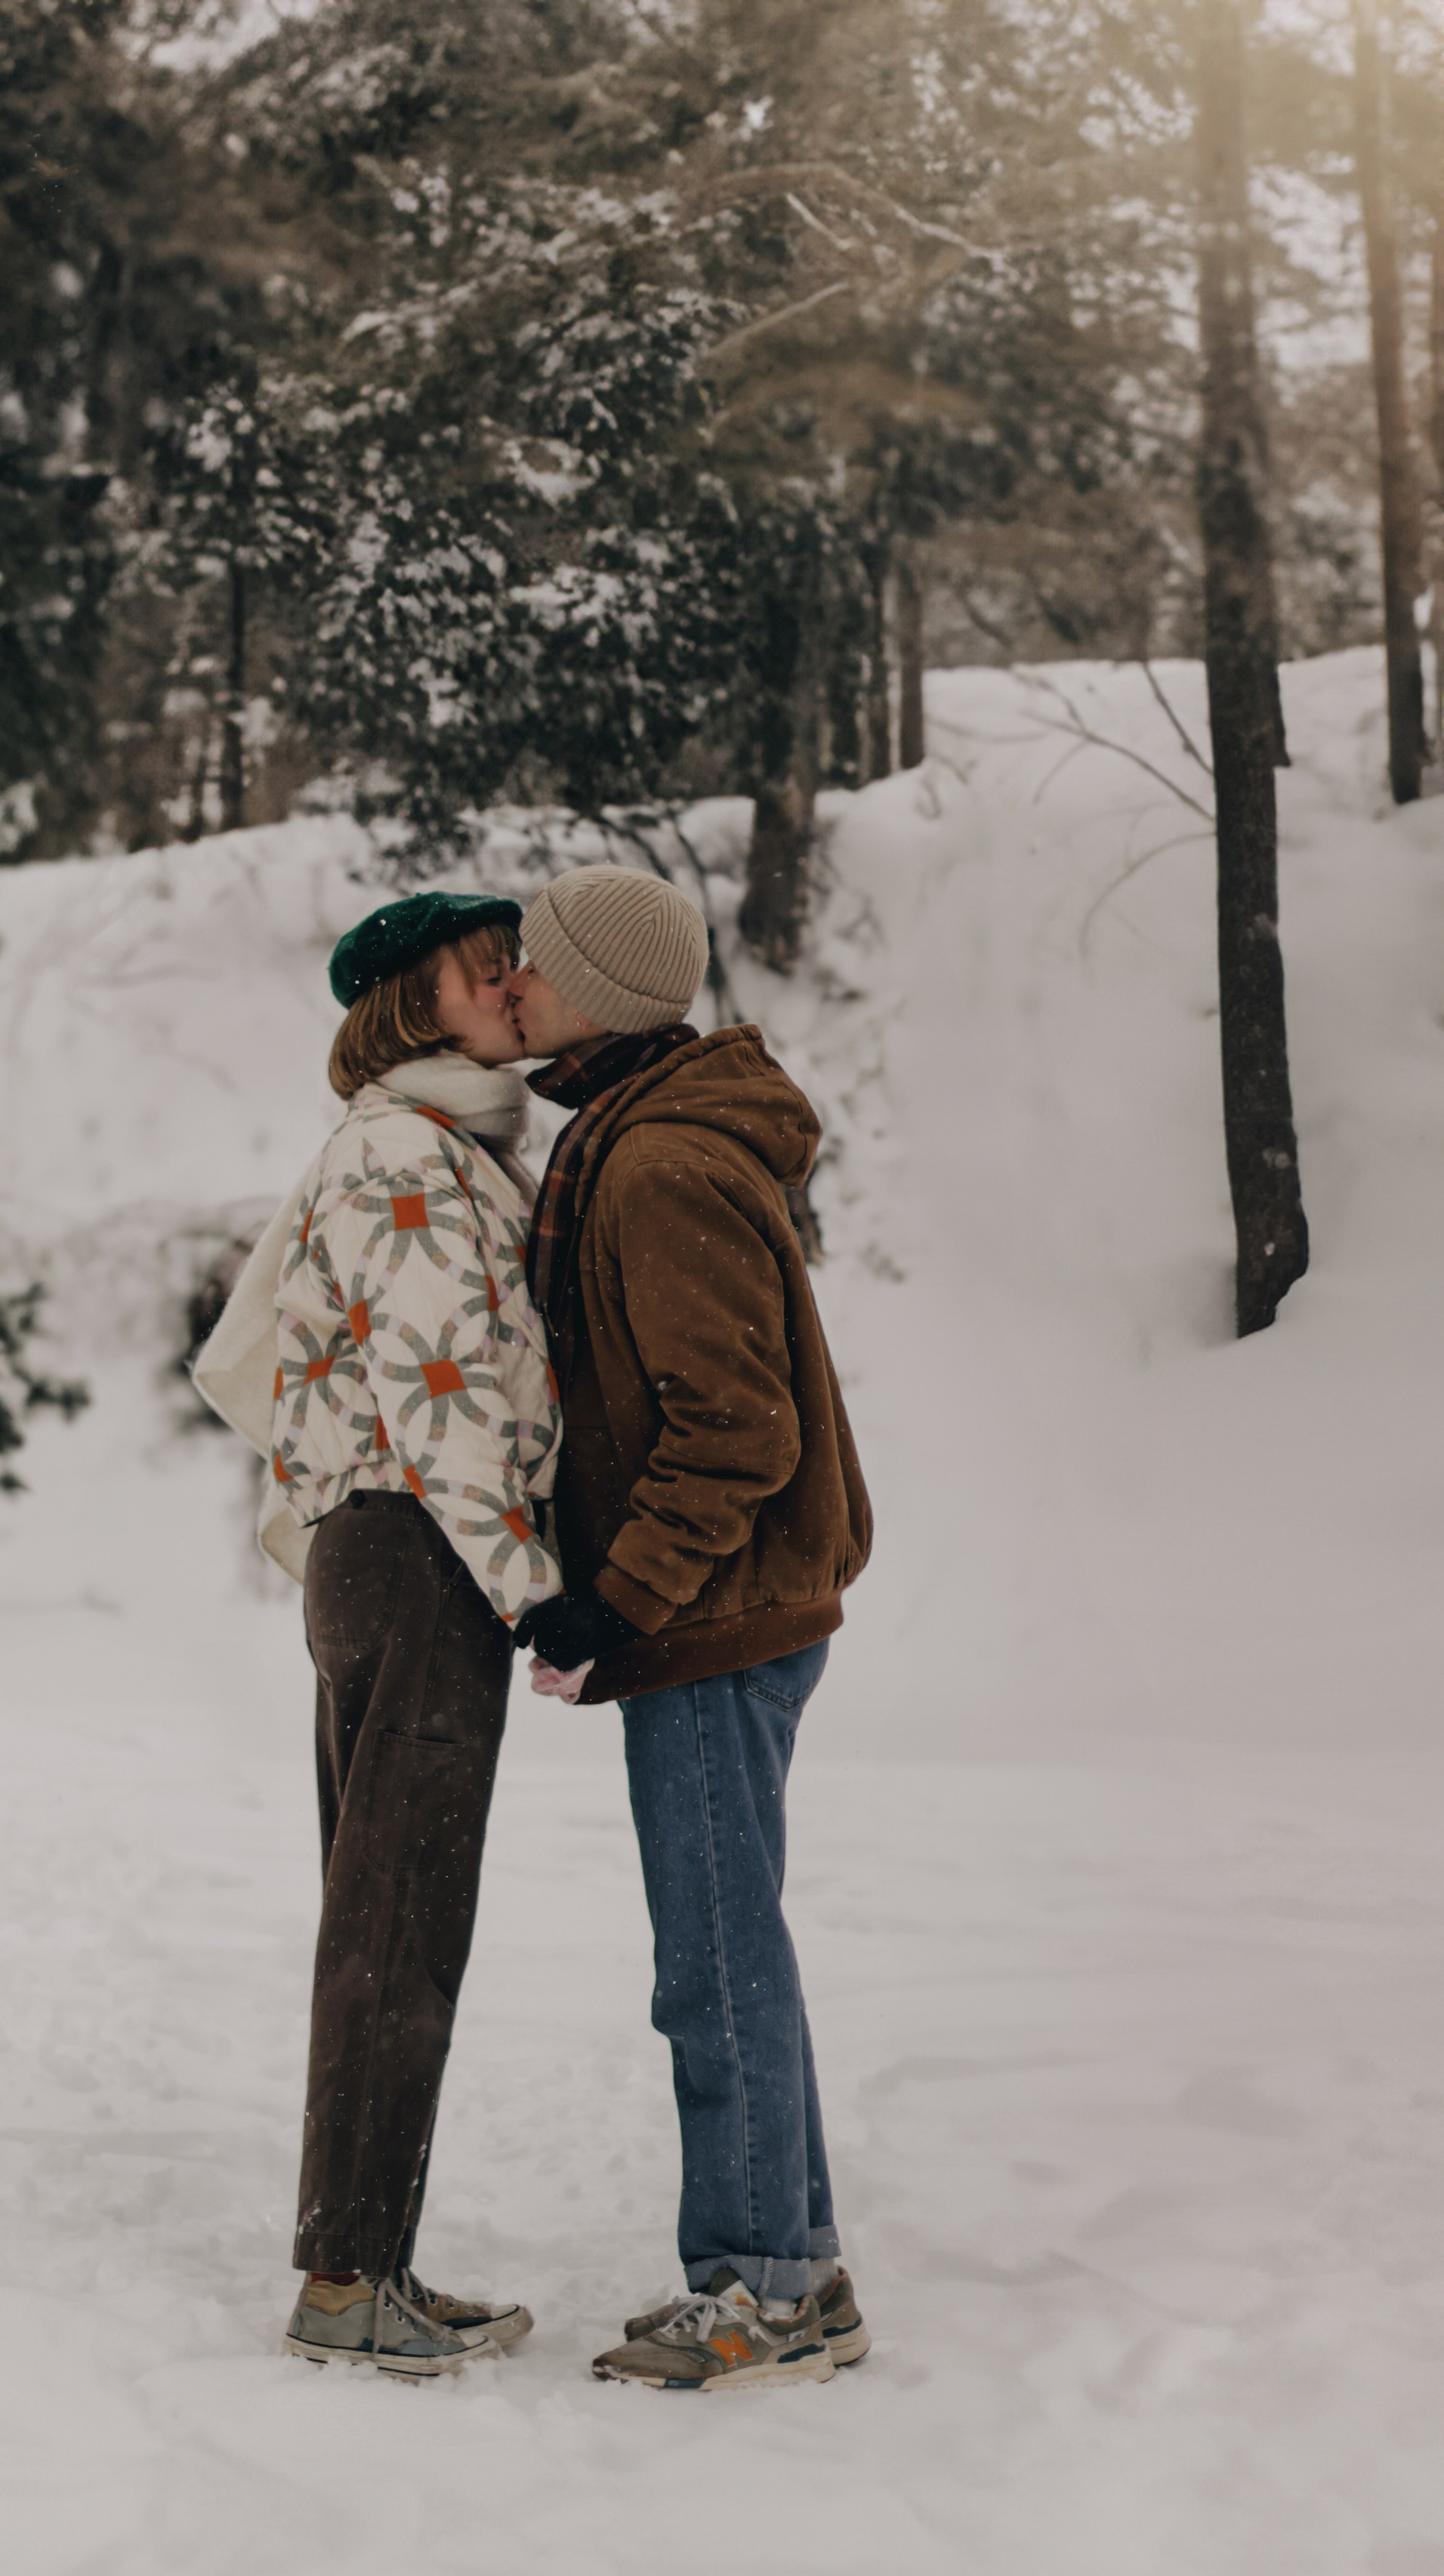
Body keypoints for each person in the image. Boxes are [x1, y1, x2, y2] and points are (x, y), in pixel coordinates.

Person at [504, 863, 877, 2392]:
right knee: (724, 1949)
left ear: (592, 991)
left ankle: (761, 2288)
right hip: (719, 1607)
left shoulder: (656, 1166)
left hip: (717, 1612)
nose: (511, 990)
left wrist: (620, 1591)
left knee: (712, 1964)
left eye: (529, 970)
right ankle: (787, 2268)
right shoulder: (635, 1131)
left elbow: (736, 1430)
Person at [193, 890, 561, 2379]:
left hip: (385, 1547)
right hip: (419, 1548)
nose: (508, 984)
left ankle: (364, 2258)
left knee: (385, 1914)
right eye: (482, 972)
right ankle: (347, 2276)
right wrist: (533, 1585)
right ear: (413, 1007)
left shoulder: (420, 1147)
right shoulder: (403, 1158)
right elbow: (440, 1389)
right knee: (395, 1923)